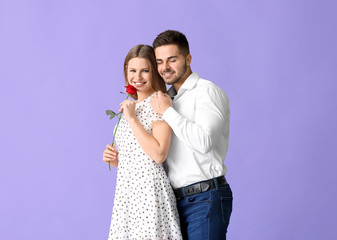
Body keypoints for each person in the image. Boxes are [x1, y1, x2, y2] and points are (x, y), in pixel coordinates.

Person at [149, 30, 233, 240]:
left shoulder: (206, 92)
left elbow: (204, 141)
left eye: (172, 59)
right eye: (159, 61)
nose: (165, 67)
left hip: (206, 197)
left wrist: (168, 112)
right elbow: (160, 151)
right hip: (174, 202)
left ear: (188, 58)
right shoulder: (165, 100)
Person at [103, 44, 182, 239]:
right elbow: (136, 153)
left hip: (148, 193)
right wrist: (114, 159)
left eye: (144, 71)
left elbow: (158, 154)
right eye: (133, 71)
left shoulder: (159, 101)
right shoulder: (130, 106)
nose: (137, 77)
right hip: (127, 193)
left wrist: (132, 119)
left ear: (154, 72)